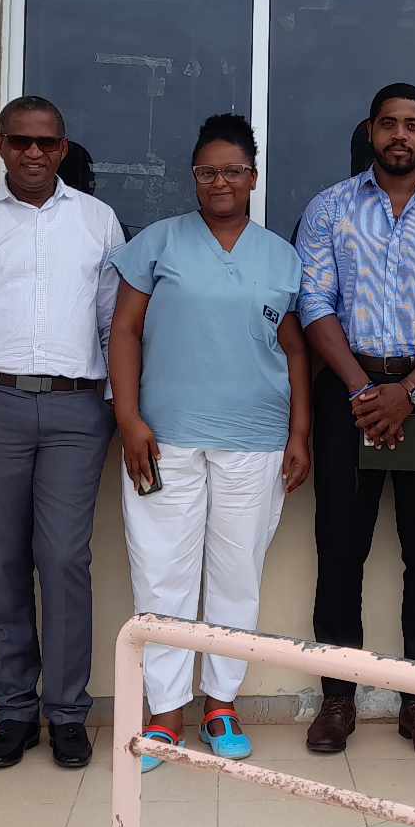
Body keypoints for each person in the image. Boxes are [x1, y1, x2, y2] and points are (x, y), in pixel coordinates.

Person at [0, 95, 124, 770]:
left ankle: (67, 713)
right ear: (1, 145)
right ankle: (13, 711)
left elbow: (113, 324)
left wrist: (122, 408)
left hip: (76, 411)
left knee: (64, 558)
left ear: (63, 148)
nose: (33, 153)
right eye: (20, 141)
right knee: (3, 558)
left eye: (46, 142)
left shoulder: (97, 220)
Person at [108, 113, 313, 770]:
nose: (220, 181)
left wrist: (300, 430)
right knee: (161, 574)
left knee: (235, 575)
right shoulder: (158, 244)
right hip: (163, 439)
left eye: (232, 170)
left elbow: (295, 348)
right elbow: (124, 331)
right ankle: (165, 711)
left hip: (255, 440)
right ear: (193, 177)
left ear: (253, 176)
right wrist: (128, 418)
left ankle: (221, 703)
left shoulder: (281, 256)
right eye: (207, 172)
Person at [295, 82, 415, 759]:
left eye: (412, 124)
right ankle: (338, 699)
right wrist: (361, 389)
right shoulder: (329, 208)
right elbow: (314, 303)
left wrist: (409, 391)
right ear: (371, 130)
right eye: (388, 124)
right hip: (346, 391)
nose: (399, 135)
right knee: (339, 550)